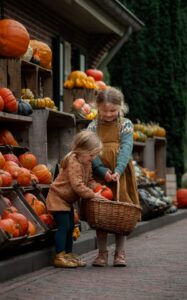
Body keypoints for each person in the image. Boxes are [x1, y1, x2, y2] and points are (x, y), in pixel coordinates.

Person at [88, 86, 141, 267]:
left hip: (121, 174)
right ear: (97, 107)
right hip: (100, 173)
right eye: (105, 111)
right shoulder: (93, 126)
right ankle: (102, 253)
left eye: (113, 110)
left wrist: (118, 170)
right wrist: (102, 170)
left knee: (121, 211)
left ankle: (120, 252)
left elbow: (126, 148)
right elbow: (90, 151)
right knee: (100, 212)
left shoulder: (125, 124)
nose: (109, 114)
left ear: (121, 107)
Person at [46, 130, 104, 268]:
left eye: (95, 155)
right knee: (64, 227)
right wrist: (92, 195)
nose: (93, 158)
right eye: (91, 155)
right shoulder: (74, 162)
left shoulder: (86, 163)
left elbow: (89, 180)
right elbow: (77, 185)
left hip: (67, 201)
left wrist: (98, 188)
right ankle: (59, 256)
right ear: (81, 150)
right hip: (57, 197)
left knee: (72, 227)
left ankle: (68, 254)